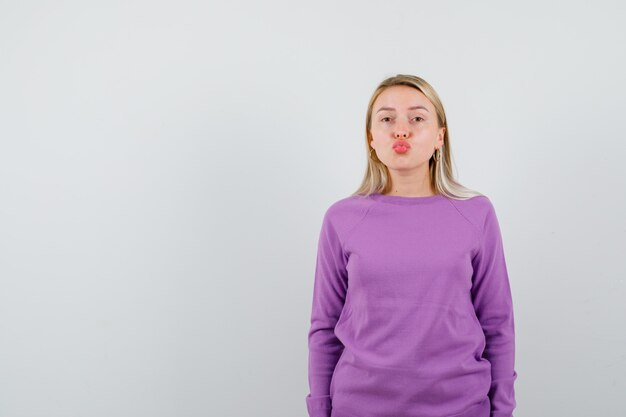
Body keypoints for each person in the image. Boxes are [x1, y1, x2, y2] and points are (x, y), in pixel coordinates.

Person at [305, 74, 518, 417]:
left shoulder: (476, 213)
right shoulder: (341, 219)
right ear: (371, 138)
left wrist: (503, 410)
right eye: (387, 119)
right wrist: (319, 410)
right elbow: (324, 329)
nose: (400, 130)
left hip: (460, 406)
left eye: (417, 118)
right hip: (359, 407)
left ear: (439, 136)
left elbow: (498, 323)